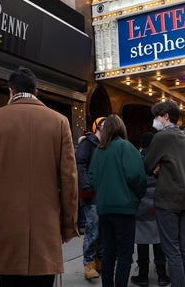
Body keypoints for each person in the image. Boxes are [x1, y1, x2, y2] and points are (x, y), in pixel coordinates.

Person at [0, 67, 79, 287]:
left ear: (10, 91)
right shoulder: (60, 122)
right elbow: (69, 179)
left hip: (6, 230)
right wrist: (69, 225)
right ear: (37, 92)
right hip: (46, 230)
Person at [144, 100, 185, 287]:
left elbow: (147, 165)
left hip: (168, 197)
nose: (155, 120)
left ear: (165, 116)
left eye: (156, 116)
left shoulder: (161, 137)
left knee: (172, 249)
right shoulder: (182, 136)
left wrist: (156, 168)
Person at [88, 114, 146, 287]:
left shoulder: (99, 150)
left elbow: (92, 178)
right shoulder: (126, 147)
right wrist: (137, 196)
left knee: (108, 253)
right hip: (124, 208)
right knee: (124, 254)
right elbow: (136, 176)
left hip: (104, 209)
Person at [131, 132, 171, 287]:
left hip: (141, 205)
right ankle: (161, 274)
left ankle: (143, 275)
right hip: (158, 204)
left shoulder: (136, 160)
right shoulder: (160, 159)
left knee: (141, 241)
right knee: (158, 239)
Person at [76, 116, 105, 279]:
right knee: (93, 228)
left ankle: (99, 260)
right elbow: (80, 165)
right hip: (91, 194)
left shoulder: (106, 145)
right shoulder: (87, 143)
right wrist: (86, 185)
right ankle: (89, 264)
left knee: (101, 229)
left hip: (103, 194)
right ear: (97, 128)